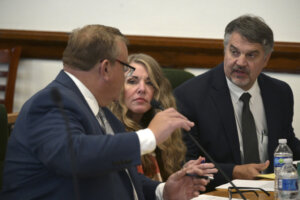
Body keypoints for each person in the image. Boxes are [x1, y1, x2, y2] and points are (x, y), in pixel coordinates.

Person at [0, 24, 209, 200]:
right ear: (106, 68)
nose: (126, 75)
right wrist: (150, 136)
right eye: (126, 69)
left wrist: (162, 190)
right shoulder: (51, 102)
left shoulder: (101, 111)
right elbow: (74, 155)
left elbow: (119, 174)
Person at [174, 14, 300, 189]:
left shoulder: (279, 93)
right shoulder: (190, 96)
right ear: (224, 50)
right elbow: (186, 165)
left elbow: (287, 144)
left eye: (251, 55)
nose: (240, 62)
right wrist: (234, 171)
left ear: (266, 59)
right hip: (219, 194)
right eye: (234, 52)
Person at [110, 53, 217, 182]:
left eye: (150, 83)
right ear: (118, 87)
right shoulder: (110, 130)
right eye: (132, 81)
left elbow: (165, 184)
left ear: (157, 92)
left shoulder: (164, 127)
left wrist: (184, 175)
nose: (142, 89)